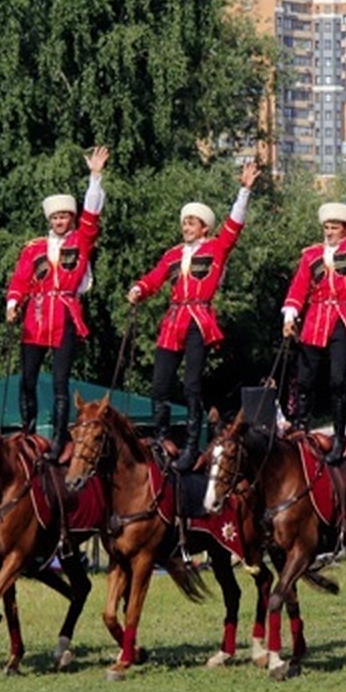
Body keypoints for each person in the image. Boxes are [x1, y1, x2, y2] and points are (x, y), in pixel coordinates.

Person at [127, 160, 261, 471]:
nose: (186, 227)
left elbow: (234, 226)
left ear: (205, 228)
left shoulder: (215, 249)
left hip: (198, 319)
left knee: (191, 384)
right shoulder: (173, 254)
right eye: (184, 222)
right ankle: (160, 438)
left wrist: (244, 191)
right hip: (172, 322)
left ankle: (190, 445)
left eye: (192, 222)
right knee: (159, 385)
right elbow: (155, 278)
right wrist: (138, 289)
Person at [6, 146, 108, 461]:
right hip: (35, 316)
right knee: (28, 378)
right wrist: (12, 303)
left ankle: (61, 437)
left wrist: (95, 176)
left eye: (64, 216)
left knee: (61, 382)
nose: (60, 221)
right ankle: (28, 430)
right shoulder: (33, 248)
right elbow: (21, 280)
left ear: (71, 218)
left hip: (63, 313)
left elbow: (92, 214)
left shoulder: (81, 240)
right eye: (55, 217)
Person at [282, 157, 346, 465]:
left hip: (341, 320)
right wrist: (289, 318)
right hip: (313, 321)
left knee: (337, 380)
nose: (330, 231)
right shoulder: (310, 255)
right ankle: (300, 427)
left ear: (345, 229)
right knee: (306, 378)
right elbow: (298, 288)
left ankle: (339, 436)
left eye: (335, 227)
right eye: (326, 227)